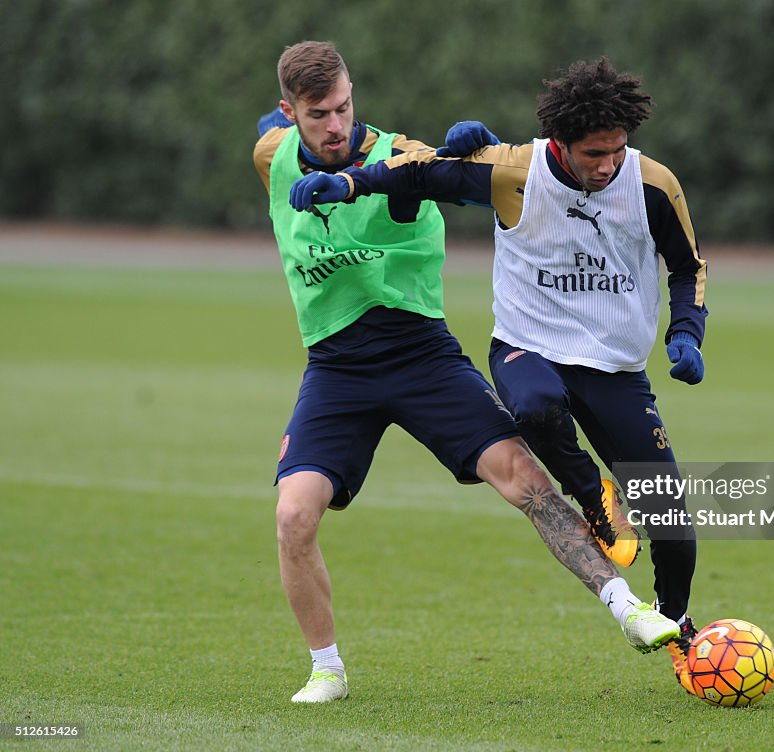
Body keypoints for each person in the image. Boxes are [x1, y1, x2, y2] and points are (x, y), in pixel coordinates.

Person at [253, 42, 682, 703]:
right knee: (292, 517)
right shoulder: (272, 155)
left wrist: (466, 148)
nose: (336, 125)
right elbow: (272, 141)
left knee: (525, 481)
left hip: (421, 356)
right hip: (335, 369)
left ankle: (629, 608)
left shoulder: (401, 155)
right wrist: (281, 135)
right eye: (319, 115)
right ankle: (327, 670)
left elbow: (454, 172)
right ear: (291, 113)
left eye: (344, 107)